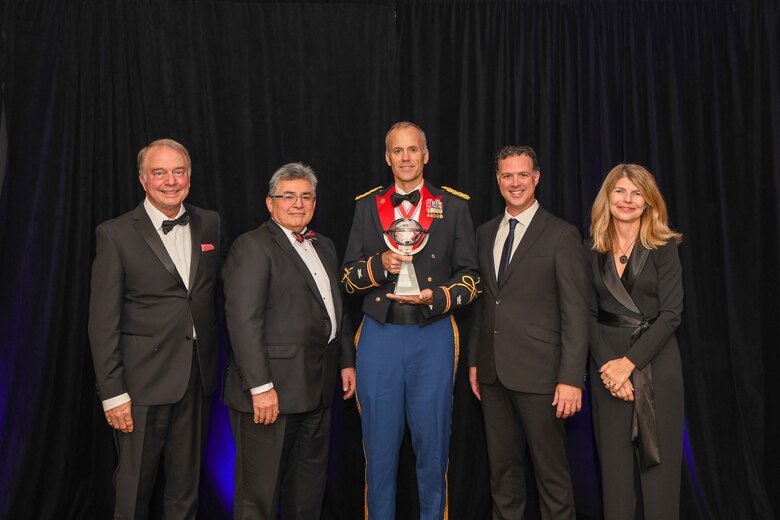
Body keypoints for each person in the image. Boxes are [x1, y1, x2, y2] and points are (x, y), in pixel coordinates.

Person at [341, 121, 481, 519]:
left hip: (432, 332)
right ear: (387, 158)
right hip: (380, 334)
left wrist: (436, 297)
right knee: (379, 450)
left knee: (433, 448)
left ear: (426, 154)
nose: (405, 158)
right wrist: (379, 266)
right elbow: (348, 278)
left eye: (413, 150)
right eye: (397, 151)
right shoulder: (367, 205)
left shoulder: (453, 205)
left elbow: (472, 279)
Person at [88, 138, 221, 519]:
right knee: (133, 490)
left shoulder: (209, 222)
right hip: (140, 385)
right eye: (159, 172)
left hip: (196, 379)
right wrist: (113, 393)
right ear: (143, 180)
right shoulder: (114, 234)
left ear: (189, 179)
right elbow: (102, 321)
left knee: (185, 489)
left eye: (178, 171)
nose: (170, 181)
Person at [222, 162, 356, 519]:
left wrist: (345, 361)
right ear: (270, 203)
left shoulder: (323, 245)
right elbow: (243, 322)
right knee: (258, 498)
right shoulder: (251, 246)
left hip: (318, 390)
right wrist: (261, 387)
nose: (298, 203)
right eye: (288, 196)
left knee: (307, 494)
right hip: (271, 395)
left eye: (306, 196)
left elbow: (335, 309)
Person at [467, 145, 589, 519]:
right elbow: (483, 303)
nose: (515, 183)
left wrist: (571, 378)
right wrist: (474, 360)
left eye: (523, 175)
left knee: (551, 476)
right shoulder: (485, 232)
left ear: (536, 178)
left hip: (542, 377)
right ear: (498, 180)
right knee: (503, 475)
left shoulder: (562, 235)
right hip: (491, 374)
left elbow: (576, 313)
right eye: (507, 176)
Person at [588, 163, 684, 519]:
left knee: (660, 473)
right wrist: (609, 370)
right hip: (606, 372)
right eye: (620, 191)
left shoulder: (664, 247)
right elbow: (586, 315)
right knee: (614, 479)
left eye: (636, 192)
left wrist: (628, 364)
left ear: (648, 201)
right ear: (607, 197)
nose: (627, 199)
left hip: (656, 365)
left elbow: (672, 313)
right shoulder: (591, 249)